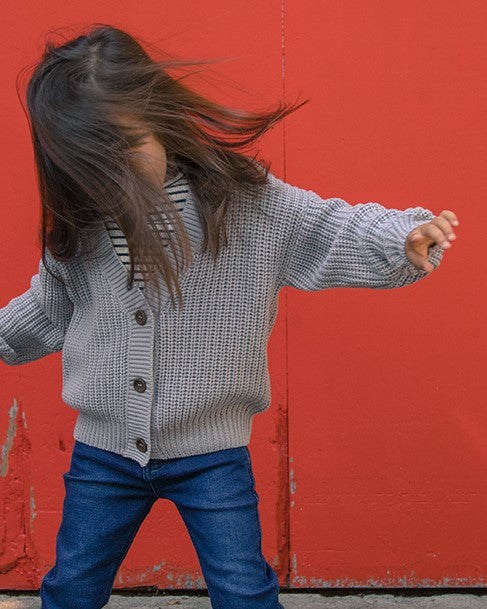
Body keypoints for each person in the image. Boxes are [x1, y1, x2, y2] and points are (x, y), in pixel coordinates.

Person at [0, 23, 459, 609]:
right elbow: (48, 307)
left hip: (212, 454)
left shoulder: (245, 205)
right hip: (103, 454)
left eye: (128, 148)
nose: (113, 177)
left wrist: (401, 238)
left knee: (245, 591)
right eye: (93, 164)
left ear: (161, 117)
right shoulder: (81, 228)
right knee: (70, 589)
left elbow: (326, 226)